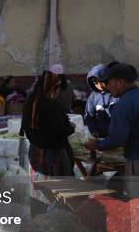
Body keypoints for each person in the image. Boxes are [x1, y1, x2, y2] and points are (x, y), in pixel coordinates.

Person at [85, 63, 139, 197]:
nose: (107, 87)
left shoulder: (123, 105)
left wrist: (97, 145)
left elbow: (117, 139)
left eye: (109, 83)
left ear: (120, 82)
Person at [21, 65, 75, 177]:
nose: (58, 92)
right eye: (58, 89)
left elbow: (26, 126)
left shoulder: (31, 102)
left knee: (43, 186)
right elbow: (61, 130)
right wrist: (71, 127)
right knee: (60, 188)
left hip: (35, 152)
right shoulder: (51, 105)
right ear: (53, 88)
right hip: (53, 154)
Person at [84, 63, 118, 138]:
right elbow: (89, 116)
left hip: (117, 136)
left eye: (101, 82)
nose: (99, 85)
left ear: (108, 80)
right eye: (96, 83)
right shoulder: (93, 96)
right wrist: (93, 130)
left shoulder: (117, 94)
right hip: (99, 135)